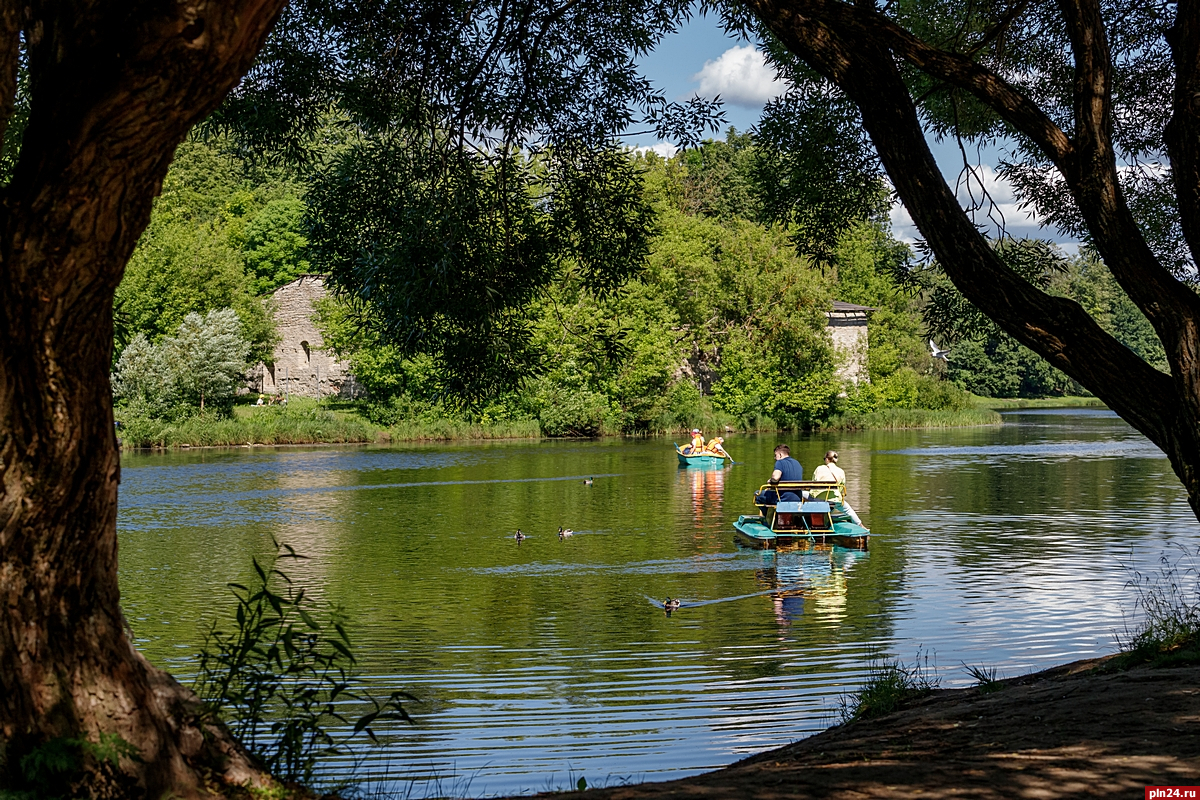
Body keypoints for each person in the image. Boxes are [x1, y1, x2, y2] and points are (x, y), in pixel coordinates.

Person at [811, 450, 864, 526]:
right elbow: (841, 488)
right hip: (834, 499)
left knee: (803, 494)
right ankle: (861, 526)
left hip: (819, 498)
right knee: (848, 510)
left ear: (827, 459)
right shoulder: (841, 471)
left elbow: (814, 483)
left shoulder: (819, 468)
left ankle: (812, 518)